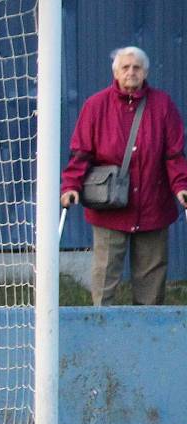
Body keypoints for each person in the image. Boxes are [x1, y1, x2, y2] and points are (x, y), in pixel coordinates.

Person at [60, 46, 187, 306]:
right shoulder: (95, 105)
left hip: (153, 206)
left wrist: (181, 186)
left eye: (137, 67)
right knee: (105, 276)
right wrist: (70, 185)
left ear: (146, 72)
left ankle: (147, 335)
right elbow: (80, 152)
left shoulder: (163, 105)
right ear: (116, 72)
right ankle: (100, 328)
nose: (131, 72)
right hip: (110, 206)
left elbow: (174, 154)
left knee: (151, 281)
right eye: (125, 67)